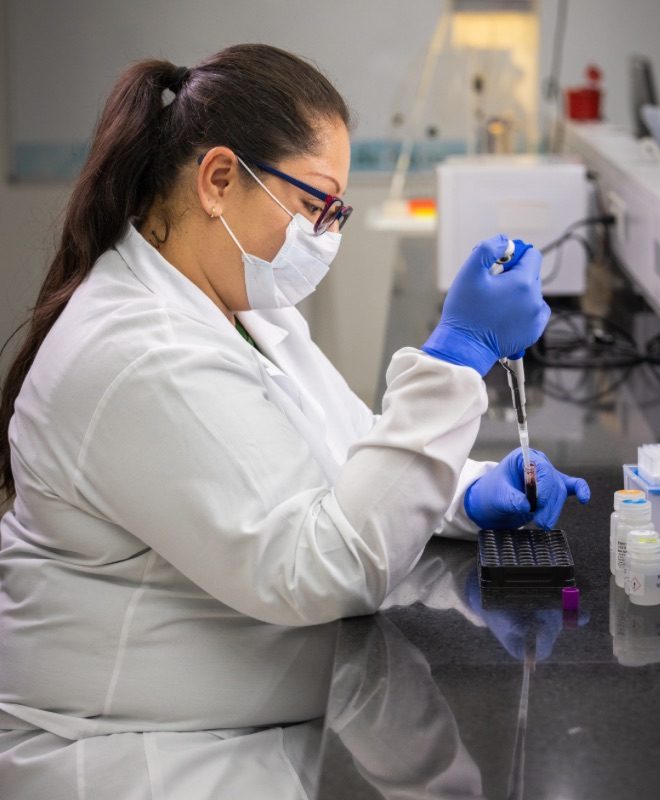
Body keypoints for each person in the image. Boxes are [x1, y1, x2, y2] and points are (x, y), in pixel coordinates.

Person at [0, 43, 589, 768]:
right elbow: (327, 570)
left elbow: (348, 456)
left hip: (232, 719)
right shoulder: (141, 352)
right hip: (134, 757)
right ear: (219, 180)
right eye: (315, 205)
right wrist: (457, 355)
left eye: (336, 213)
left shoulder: (245, 309)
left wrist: (466, 493)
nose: (326, 236)